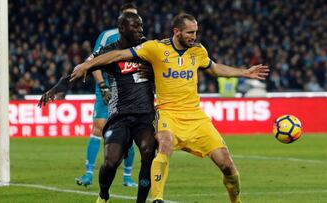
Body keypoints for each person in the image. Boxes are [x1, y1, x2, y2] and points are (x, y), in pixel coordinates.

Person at [70, 13, 269, 203]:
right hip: (167, 113)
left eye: (196, 32)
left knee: (227, 164)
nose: (194, 37)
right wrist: (87, 65)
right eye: (190, 32)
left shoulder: (198, 51)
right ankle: (157, 199)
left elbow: (216, 69)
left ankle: (236, 200)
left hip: (196, 117)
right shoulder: (155, 48)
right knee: (164, 144)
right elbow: (118, 55)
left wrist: (245, 73)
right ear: (177, 32)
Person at [39, 12, 157, 203]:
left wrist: (152, 72)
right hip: (120, 115)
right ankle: (103, 195)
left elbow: (169, 68)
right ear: (122, 29)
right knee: (111, 163)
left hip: (145, 115)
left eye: (141, 26)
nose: (140, 30)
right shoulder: (108, 52)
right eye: (135, 26)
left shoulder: (149, 48)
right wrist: (55, 90)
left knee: (148, 151)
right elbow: (81, 70)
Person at [75, 2, 139, 188]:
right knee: (99, 128)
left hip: (128, 91)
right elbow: (92, 62)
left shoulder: (140, 39)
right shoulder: (107, 36)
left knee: (131, 133)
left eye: (134, 16)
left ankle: (127, 177)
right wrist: (103, 86)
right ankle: (88, 174)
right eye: (128, 15)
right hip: (107, 88)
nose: (131, 20)